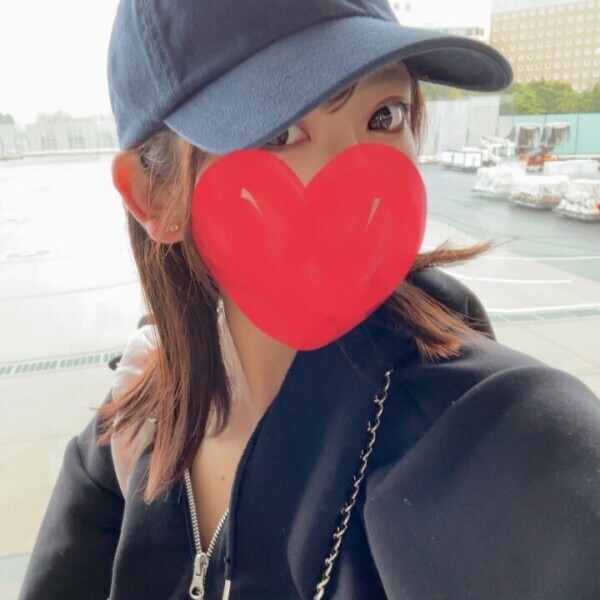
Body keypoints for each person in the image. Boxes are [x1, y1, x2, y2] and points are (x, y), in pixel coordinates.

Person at [19, 1, 600, 599]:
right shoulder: (130, 430)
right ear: (155, 195)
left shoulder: (495, 431)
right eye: (279, 132)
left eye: (384, 115)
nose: (359, 178)